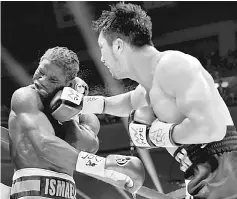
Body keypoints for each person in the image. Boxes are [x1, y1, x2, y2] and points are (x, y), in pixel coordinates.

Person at [78, 3, 237, 199]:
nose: (101, 58)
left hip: (225, 170)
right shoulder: (147, 90)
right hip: (201, 171)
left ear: (118, 46)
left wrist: (161, 136)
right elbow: (120, 103)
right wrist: (79, 102)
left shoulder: (174, 66)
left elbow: (213, 129)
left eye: (102, 48)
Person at [6, 46, 145, 199]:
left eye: (53, 80)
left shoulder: (82, 112)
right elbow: (44, 145)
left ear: (69, 84)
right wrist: (103, 166)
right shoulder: (25, 96)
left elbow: (88, 147)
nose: (41, 81)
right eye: (40, 72)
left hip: (67, 192)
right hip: (32, 191)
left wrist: (70, 115)